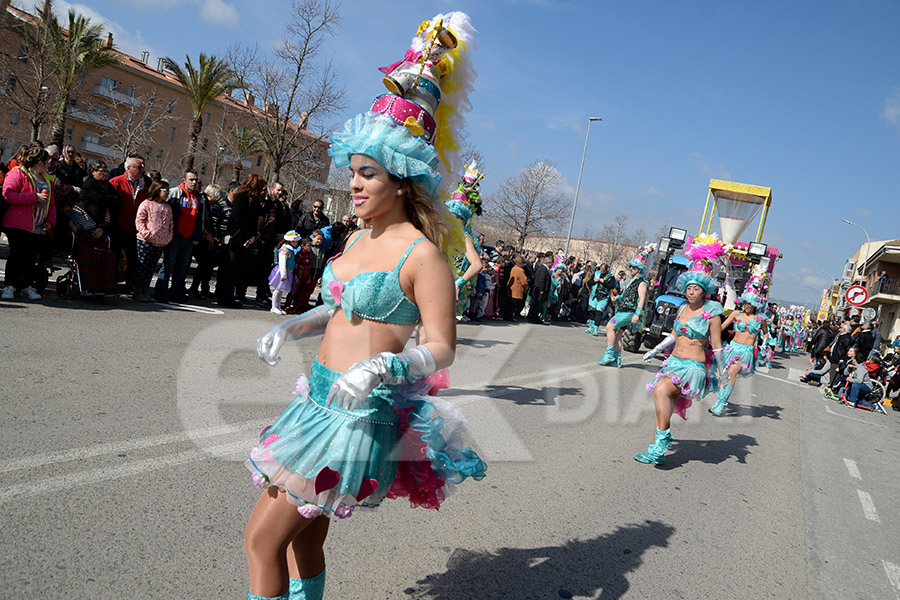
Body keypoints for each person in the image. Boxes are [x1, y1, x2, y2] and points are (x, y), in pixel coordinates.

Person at [244, 14, 485, 600]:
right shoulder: (355, 238)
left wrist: (384, 366)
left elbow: (441, 344)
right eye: (352, 171)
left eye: (367, 174)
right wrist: (295, 323)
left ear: (401, 180)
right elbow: (344, 310)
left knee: (259, 541)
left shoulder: (424, 254)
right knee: (304, 539)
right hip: (318, 396)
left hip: (357, 416)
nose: (353, 185)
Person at [640, 235, 726, 464]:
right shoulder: (682, 310)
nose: (691, 292)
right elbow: (676, 335)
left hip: (692, 368)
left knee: (660, 391)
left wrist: (724, 371)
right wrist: (654, 349)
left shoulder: (712, 314)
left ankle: (664, 437)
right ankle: (656, 451)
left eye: (696, 289)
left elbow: (716, 345)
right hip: (673, 363)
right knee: (664, 406)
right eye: (689, 288)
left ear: (704, 291)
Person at [709, 271, 769, 415]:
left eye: (750, 304)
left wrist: (764, 344)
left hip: (746, 351)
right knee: (724, 374)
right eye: (745, 303)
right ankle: (718, 402)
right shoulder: (736, 314)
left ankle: (722, 404)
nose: (746, 306)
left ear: (755, 305)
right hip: (732, 348)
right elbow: (722, 326)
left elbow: (766, 333)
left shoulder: (760, 319)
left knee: (731, 373)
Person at [1, 145, 56, 300]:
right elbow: (8, 194)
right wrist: (34, 197)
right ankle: (9, 287)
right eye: (47, 161)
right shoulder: (17, 174)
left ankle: (26, 286)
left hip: (37, 226)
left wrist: (50, 221)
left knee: (31, 258)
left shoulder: (47, 179)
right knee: (16, 256)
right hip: (17, 224)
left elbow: (51, 203)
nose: (49, 164)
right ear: (39, 162)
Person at [598, 244, 655, 367]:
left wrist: (637, 314)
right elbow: (627, 296)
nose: (631, 268)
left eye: (634, 267)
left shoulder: (641, 283)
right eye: (631, 266)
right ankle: (616, 359)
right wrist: (618, 298)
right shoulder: (630, 280)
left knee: (609, 326)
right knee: (618, 336)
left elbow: (642, 299)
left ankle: (609, 355)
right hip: (623, 310)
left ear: (639, 269)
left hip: (629, 312)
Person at [154, 170, 207, 303]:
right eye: (191, 180)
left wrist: (197, 236)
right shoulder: (174, 193)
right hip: (174, 236)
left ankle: (175, 291)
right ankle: (161, 291)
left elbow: (200, 219)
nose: (194, 183)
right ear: (184, 180)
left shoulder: (199, 198)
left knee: (182, 267)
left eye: (196, 180)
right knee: (168, 265)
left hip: (189, 238)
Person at [216, 174, 266, 308]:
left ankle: (229, 296)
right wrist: (248, 234)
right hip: (237, 238)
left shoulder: (254, 201)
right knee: (230, 268)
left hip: (247, 240)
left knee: (237, 269)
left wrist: (254, 234)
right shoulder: (241, 197)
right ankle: (223, 296)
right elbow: (237, 218)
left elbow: (257, 217)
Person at [445, 162, 484, 322]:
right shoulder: (440, 231)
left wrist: (458, 284)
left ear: (462, 220)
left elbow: (477, 264)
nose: (451, 220)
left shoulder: (463, 237)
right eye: (449, 215)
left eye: (455, 217)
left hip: (446, 287)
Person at [109, 155, 151, 290]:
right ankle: (111, 282)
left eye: (143, 167)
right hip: (118, 227)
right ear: (128, 168)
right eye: (139, 167)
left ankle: (131, 283)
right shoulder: (116, 182)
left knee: (133, 258)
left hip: (135, 230)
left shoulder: (145, 184)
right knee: (114, 255)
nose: (142, 170)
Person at [133, 180, 174, 302]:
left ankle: (145, 290)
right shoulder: (147, 204)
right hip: (145, 241)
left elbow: (171, 224)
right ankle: (137, 290)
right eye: (165, 190)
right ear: (157, 190)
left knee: (151, 267)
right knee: (142, 266)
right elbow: (139, 220)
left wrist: (168, 237)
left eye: (168, 191)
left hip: (160, 242)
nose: (167, 193)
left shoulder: (167, 207)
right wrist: (147, 234)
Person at [268, 231, 301, 314]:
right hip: (282, 272)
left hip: (288, 272)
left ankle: (278, 306)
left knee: (281, 290)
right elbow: (282, 263)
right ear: (291, 241)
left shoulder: (290, 250)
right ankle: (274, 306)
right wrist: (283, 274)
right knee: (278, 289)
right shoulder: (284, 250)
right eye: (296, 241)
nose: (297, 243)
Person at [586, 262, 615, 335]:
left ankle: (596, 328)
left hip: (603, 297)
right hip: (594, 295)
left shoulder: (610, 276)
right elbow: (589, 283)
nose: (602, 270)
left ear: (606, 270)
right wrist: (594, 281)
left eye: (603, 269)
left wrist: (604, 282)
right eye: (601, 268)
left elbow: (612, 286)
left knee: (599, 312)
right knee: (592, 311)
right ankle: (591, 327)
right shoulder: (596, 274)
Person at [527, 254, 552, 323]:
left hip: (539, 290)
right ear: (548, 263)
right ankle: (533, 318)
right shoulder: (543, 269)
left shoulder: (543, 269)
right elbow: (541, 280)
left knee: (537, 305)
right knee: (537, 305)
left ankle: (534, 317)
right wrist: (541, 289)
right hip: (539, 291)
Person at [505, 254, 529, 321]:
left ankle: (507, 316)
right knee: (513, 305)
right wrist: (525, 288)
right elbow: (524, 281)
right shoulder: (520, 270)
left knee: (510, 304)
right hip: (517, 290)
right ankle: (510, 317)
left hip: (511, 289)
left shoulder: (513, 268)